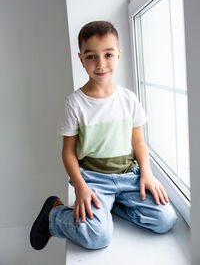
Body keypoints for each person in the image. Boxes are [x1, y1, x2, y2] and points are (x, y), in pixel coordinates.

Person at [30, 21, 178, 251]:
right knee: (97, 237)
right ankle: (54, 215)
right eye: (91, 57)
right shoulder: (75, 103)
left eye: (108, 54)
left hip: (129, 177)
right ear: (81, 59)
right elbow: (68, 152)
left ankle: (109, 207)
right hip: (94, 179)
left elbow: (138, 142)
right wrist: (80, 187)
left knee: (166, 219)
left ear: (118, 55)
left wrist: (146, 174)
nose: (100, 64)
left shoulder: (129, 99)